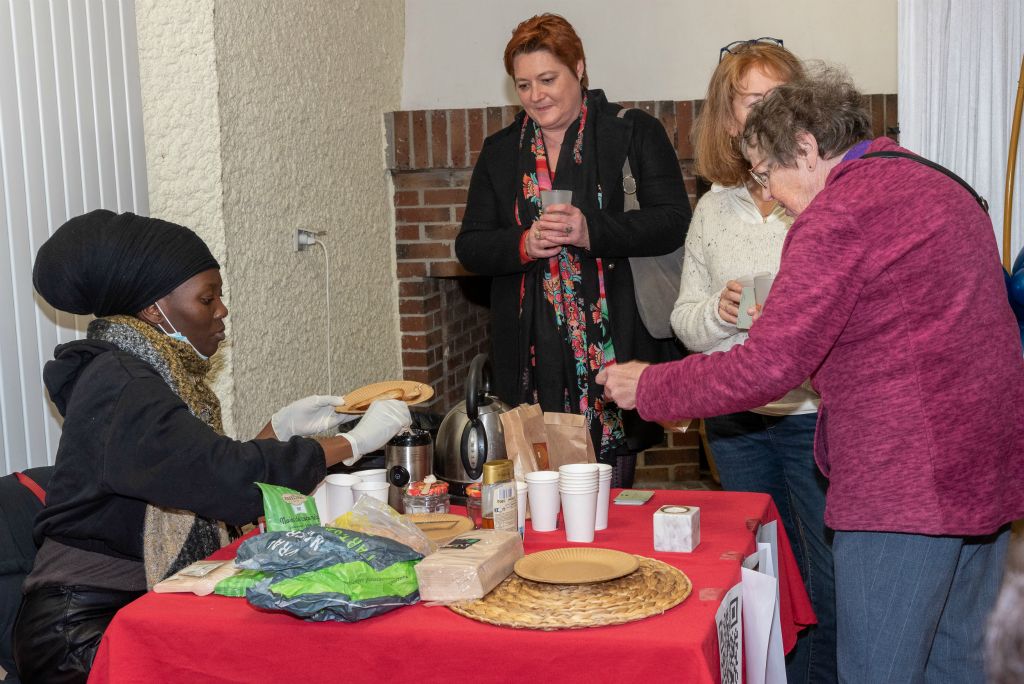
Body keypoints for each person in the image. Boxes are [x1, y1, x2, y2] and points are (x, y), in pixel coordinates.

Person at [598, 66, 1024, 682]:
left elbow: (770, 365)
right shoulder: (937, 183)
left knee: (877, 669)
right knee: (957, 664)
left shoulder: (839, 213)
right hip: (984, 471)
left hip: (904, 487)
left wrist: (651, 386)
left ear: (804, 147)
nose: (769, 194)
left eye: (767, 174)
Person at [13, 210, 411, 684]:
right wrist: (349, 442)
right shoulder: (120, 383)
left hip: (130, 606)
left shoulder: (142, 373)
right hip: (83, 632)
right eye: (208, 297)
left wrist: (277, 431)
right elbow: (223, 478)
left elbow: (189, 471)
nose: (221, 310)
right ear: (152, 309)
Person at [456, 13, 690, 486]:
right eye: (523, 85)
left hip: (612, 348)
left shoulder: (632, 131)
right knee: (537, 491)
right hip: (530, 353)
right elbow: (471, 246)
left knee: (608, 498)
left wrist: (592, 231)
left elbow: (673, 221)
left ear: (579, 68)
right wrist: (523, 242)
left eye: (547, 79)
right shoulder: (501, 151)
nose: (536, 95)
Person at [672, 40, 834, 683]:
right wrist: (719, 308)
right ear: (728, 118)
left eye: (776, 99)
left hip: (811, 415)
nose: (764, 113)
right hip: (735, 419)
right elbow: (684, 322)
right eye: (750, 102)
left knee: (823, 574)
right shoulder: (713, 208)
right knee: (758, 570)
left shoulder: (821, 194)